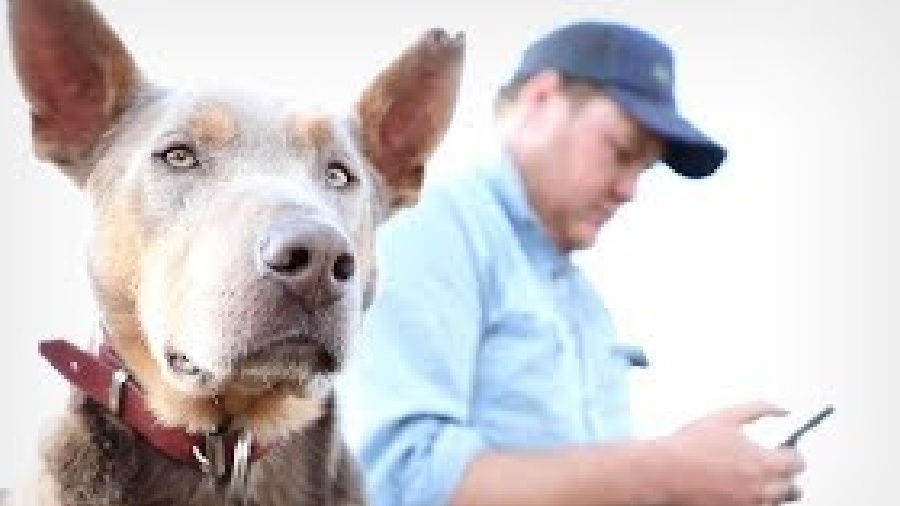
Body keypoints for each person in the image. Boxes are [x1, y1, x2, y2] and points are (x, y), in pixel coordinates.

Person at [336, 20, 806, 506]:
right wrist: (664, 469)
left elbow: (603, 484)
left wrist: (689, 486)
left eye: (644, 168)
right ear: (541, 101)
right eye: (621, 151)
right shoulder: (437, 229)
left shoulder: (588, 307)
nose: (630, 190)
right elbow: (397, 477)